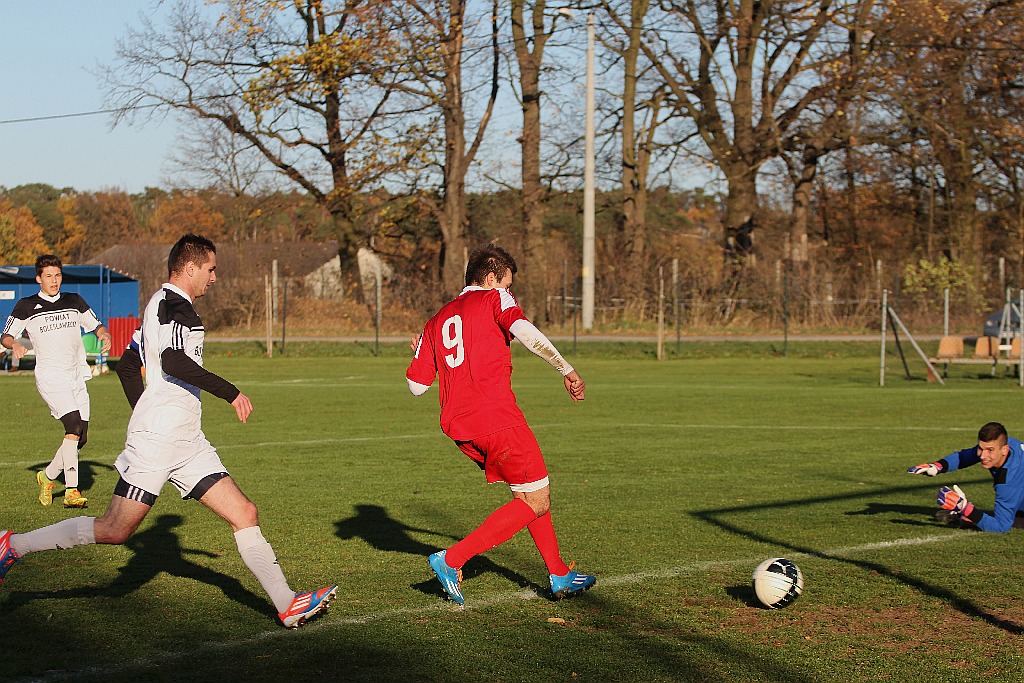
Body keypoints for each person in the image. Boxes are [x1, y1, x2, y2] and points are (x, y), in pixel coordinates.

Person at [0, 234, 336, 628]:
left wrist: (145, 409)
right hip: (159, 440)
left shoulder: (159, 306)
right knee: (114, 530)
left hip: (187, 440)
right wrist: (229, 393)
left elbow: (128, 366)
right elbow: (175, 361)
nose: (214, 277)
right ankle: (13, 546)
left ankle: (287, 603)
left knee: (245, 512)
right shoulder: (175, 307)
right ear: (190, 267)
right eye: (211, 268)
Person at [406, 243, 596, 604]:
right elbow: (525, 331)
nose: (510, 293)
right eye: (508, 285)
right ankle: (451, 559)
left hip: (459, 427)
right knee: (536, 498)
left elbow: (416, 388)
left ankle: (558, 574)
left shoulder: (436, 320)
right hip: (496, 418)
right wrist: (566, 369)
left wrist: (418, 349)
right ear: (491, 278)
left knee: (529, 493)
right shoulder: (494, 299)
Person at [1, 254, 112, 508]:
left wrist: (104, 334)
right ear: (39, 278)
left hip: (76, 375)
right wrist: (15, 345)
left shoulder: (74, 301)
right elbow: (6, 335)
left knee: (80, 437)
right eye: (48, 276)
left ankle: (48, 477)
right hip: (51, 377)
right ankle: (72, 490)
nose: (54, 281)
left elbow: (96, 325)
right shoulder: (27, 305)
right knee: (73, 426)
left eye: (58, 275)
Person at [907, 421, 1024, 532]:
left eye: (990, 450)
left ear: (1004, 450)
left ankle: (961, 515)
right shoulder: (1007, 445)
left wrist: (965, 509)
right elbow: (965, 457)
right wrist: (937, 467)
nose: (983, 456)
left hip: (1014, 485)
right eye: (981, 449)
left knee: (1003, 520)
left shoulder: (1008, 480)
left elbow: (1001, 527)